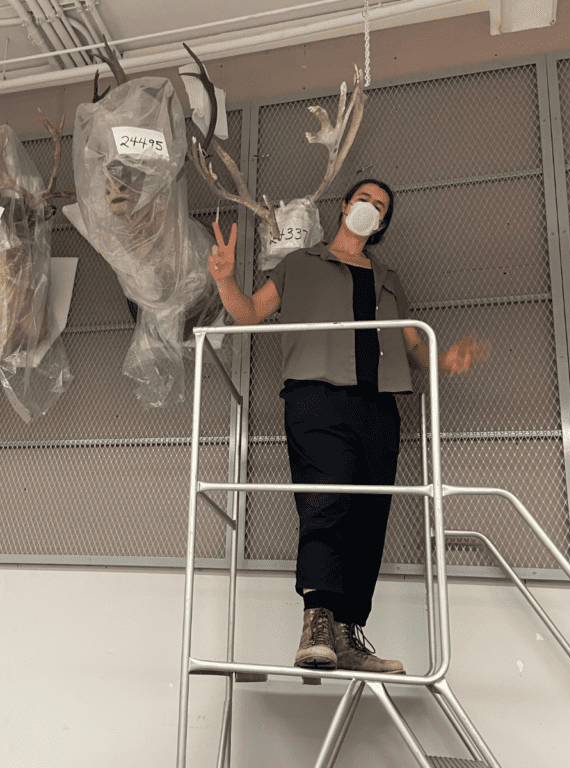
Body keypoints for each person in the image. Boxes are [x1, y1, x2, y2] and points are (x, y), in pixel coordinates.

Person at [208, 179, 486, 674]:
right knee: (325, 501)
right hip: (316, 397)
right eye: (365, 199)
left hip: (378, 405)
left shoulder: (389, 277)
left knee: (369, 517)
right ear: (345, 206)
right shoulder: (298, 265)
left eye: (380, 207)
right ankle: (316, 621)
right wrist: (226, 279)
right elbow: (249, 313)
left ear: (381, 224)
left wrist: (445, 361)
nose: (370, 208)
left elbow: (409, 342)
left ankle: (348, 634)